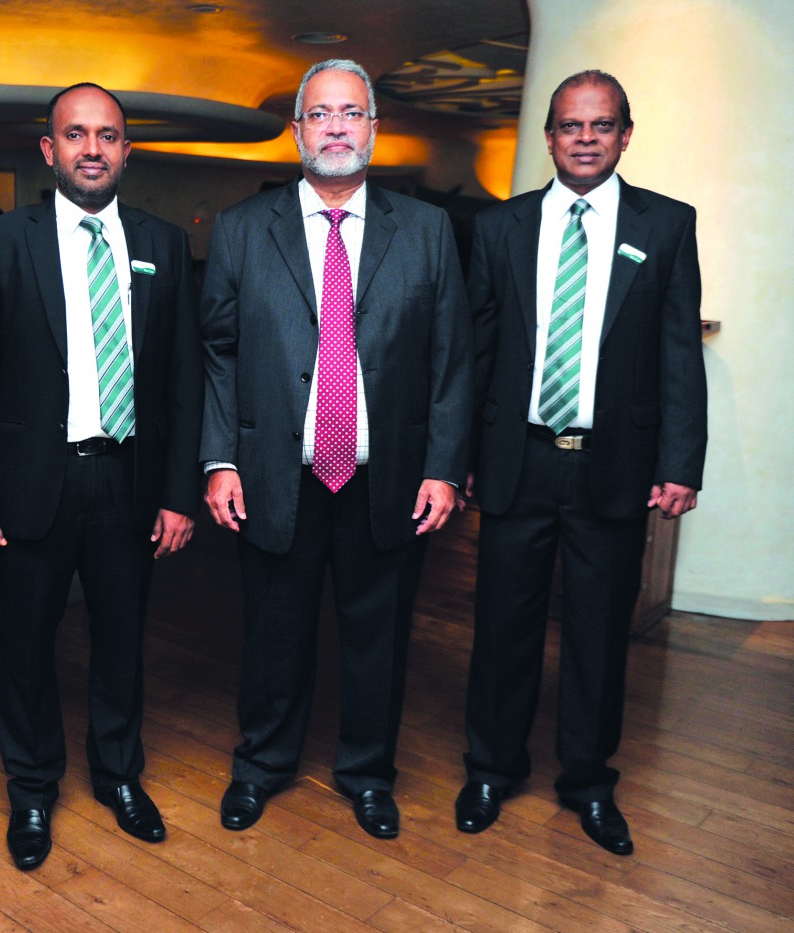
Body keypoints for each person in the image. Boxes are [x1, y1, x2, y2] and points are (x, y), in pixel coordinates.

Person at [200, 59, 471, 839]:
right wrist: (219, 458)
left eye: (352, 113)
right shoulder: (244, 230)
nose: (338, 127)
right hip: (272, 475)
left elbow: (453, 359)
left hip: (385, 478)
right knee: (273, 633)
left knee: (377, 641)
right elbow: (217, 351)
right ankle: (261, 766)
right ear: (297, 132)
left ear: (375, 130)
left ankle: (367, 775)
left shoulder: (424, 231)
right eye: (321, 114)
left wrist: (444, 467)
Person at [0, 83, 202, 870]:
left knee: (122, 641)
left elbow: (184, 380)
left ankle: (120, 775)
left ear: (128, 150)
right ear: (48, 150)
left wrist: (178, 493)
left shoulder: (163, 242)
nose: (93, 148)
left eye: (109, 135)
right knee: (26, 645)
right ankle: (31, 790)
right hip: (33, 483)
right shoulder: (0, 243)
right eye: (76, 134)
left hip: (127, 481)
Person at [456, 70, 706, 855]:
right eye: (570, 125)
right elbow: (476, 350)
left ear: (626, 134)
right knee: (502, 626)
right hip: (517, 461)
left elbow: (678, 354)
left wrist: (681, 461)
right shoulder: (500, 228)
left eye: (601, 125)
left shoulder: (665, 225)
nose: (586, 137)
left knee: (600, 634)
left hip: (615, 465)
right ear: (551, 137)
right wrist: (456, 456)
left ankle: (589, 783)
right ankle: (492, 769)